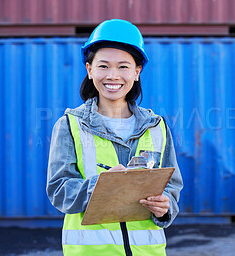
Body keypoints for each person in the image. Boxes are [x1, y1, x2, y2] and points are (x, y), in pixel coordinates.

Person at [46, 19, 183, 256]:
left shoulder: (157, 126)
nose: (113, 75)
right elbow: (59, 190)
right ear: (89, 70)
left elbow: (171, 185)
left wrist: (165, 206)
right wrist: (101, 187)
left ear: (137, 72)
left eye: (123, 66)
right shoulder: (70, 125)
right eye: (103, 66)